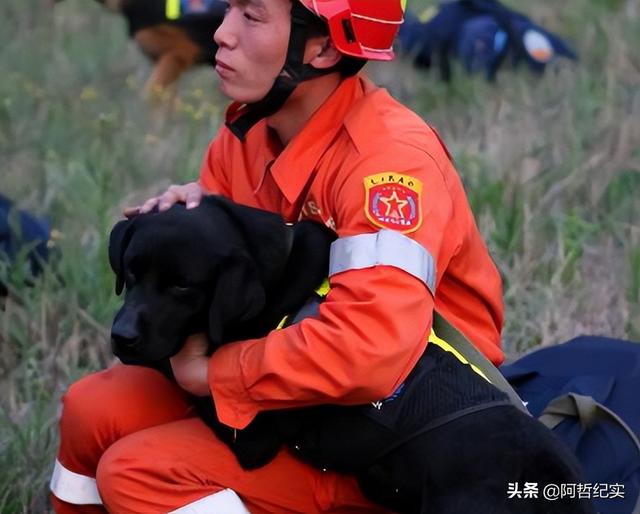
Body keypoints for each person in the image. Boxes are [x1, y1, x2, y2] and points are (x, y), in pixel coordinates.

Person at [50, 0, 504, 512]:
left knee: (136, 474)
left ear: (327, 46)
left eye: (253, 16)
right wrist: (182, 229)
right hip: (283, 401)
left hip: (386, 436)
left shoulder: (390, 166)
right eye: (228, 9)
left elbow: (370, 351)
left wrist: (217, 375)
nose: (221, 34)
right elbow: (225, 291)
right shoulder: (245, 137)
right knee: (90, 409)